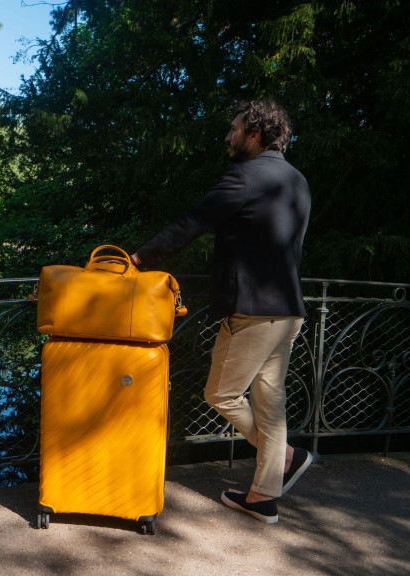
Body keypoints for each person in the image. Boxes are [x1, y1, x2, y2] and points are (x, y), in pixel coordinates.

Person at [130, 99, 313, 524]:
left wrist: (139, 259)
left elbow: (194, 221)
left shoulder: (246, 176)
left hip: (254, 309)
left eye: (234, 129)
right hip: (287, 308)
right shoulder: (298, 180)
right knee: (269, 401)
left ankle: (284, 455)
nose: (227, 136)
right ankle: (263, 496)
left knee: (221, 393)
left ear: (255, 133)